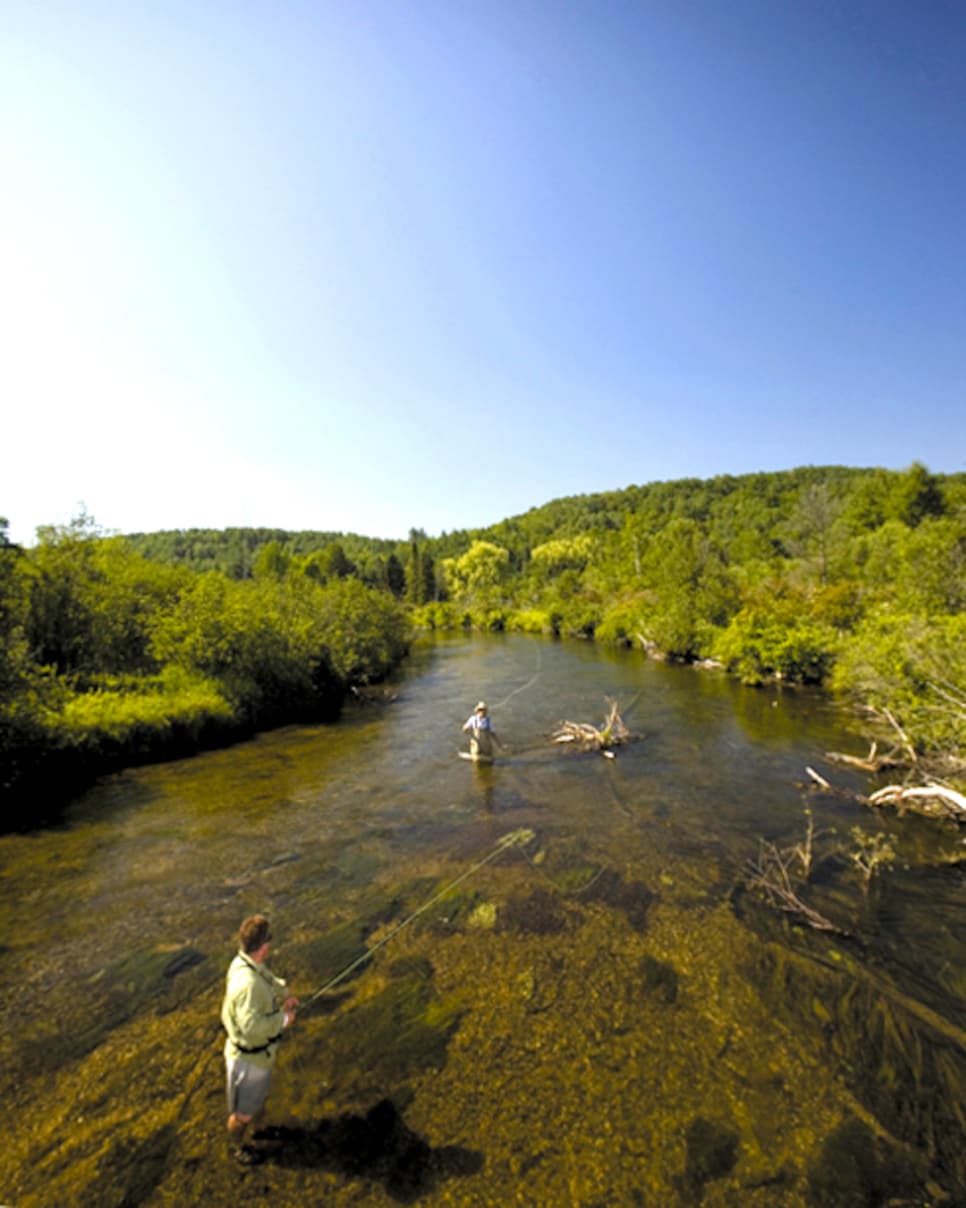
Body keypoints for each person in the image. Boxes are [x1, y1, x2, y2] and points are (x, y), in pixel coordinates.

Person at [221, 914, 299, 1165]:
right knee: (241, 1115)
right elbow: (252, 1027)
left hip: (256, 1057)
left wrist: (284, 993)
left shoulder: (243, 962)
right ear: (263, 947)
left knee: (252, 1106)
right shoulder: (248, 985)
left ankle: (256, 1130)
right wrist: (284, 1021)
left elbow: (266, 976)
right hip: (248, 1061)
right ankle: (238, 1147)